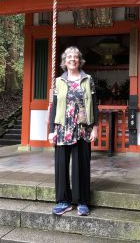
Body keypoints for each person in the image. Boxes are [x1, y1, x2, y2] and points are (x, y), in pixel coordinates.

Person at [48, 46, 98, 216]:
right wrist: (51, 130)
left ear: (80, 60)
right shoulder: (59, 81)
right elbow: (54, 106)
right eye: (69, 56)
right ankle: (63, 201)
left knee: (82, 165)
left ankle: (82, 201)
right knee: (62, 165)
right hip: (62, 128)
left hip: (83, 128)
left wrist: (95, 127)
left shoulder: (88, 79)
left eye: (75, 56)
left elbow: (94, 105)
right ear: (64, 61)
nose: (72, 59)